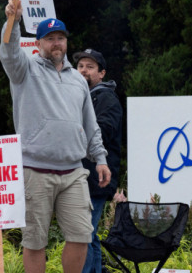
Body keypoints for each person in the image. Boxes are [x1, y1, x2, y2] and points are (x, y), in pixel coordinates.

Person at [0, 0, 111, 273]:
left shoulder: (78, 80)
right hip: (34, 169)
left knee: (82, 235)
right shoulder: (24, 70)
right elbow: (10, 53)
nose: (56, 43)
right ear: (38, 44)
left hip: (73, 171)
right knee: (35, 241)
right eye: (50, 38)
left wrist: (100, 157)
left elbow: (89, 123)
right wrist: (13, 21)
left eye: (60, 38)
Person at [73, 49, 123, 273]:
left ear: (102, 73)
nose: (84, 70)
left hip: (97, 178)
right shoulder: (79, 96)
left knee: (83, 236)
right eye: (81, 66)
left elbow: (102, 132)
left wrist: (72, 132)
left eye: (90, 67)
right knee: (88, 236)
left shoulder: (105, 97)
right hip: (82, 177)